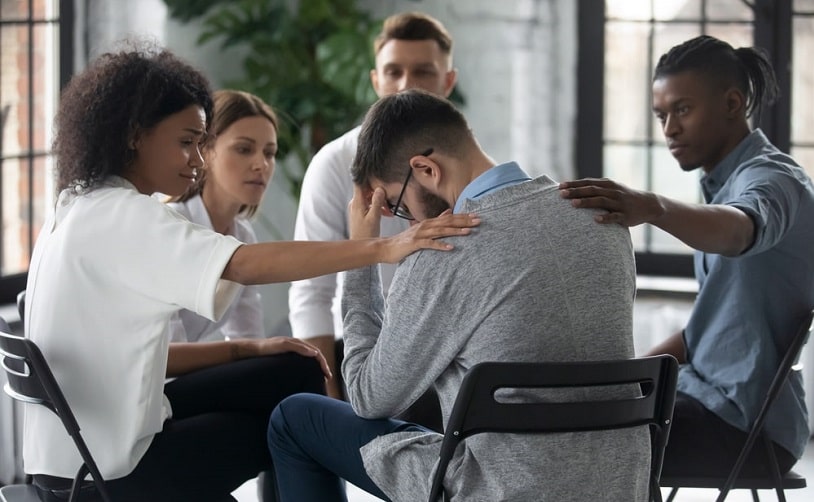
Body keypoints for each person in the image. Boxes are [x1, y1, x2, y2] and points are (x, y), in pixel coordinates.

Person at [23, 46, 478, 502]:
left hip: (82, 450)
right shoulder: (125, 215)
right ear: (134, 135)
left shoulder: (79, 206)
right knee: (299, 424)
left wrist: (246, 349)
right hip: (112, 471)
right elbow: (243, 263)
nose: (197, 162)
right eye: (186, 142)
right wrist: (380, 246)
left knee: (296, 370)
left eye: (201, 144)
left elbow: (130, 357)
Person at [268, 89, 651, 501]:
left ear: (426, 169)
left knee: (294, 418)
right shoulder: (602, 218)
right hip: (622, 485)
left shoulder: (444, 250)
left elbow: (368, 396)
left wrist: (362, 255)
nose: (408, 221)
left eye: (396, 204)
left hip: (500, 490)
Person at [560, 35, 814, 479]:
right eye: (661, 115)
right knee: (564, 414)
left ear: (732, 103)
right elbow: (705, 334)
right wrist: (612, 377)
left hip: (749, 428)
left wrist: (653, 207)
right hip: (703, 398)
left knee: (581, 442)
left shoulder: (772, 179)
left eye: (682, 109)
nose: (668, 130)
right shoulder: (720, 184)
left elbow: (742, 229)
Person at [288, 12, 458, 415]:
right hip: (362, 346)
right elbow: (312, 288)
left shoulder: (467, 164)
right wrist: (328, 393)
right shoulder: (334, 163)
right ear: (375, 80)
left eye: (423, 72)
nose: (405, 85)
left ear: (448, 83)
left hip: (448, 352)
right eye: (393, 71)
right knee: (298, 418)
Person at [167, 89, 278, 344]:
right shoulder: (173, 227)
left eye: (269, 153)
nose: (261, 164)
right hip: (158, 379)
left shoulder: (243, 235)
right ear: (205, 151)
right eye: (244, 149)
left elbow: (248, 335)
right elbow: (167, 351)